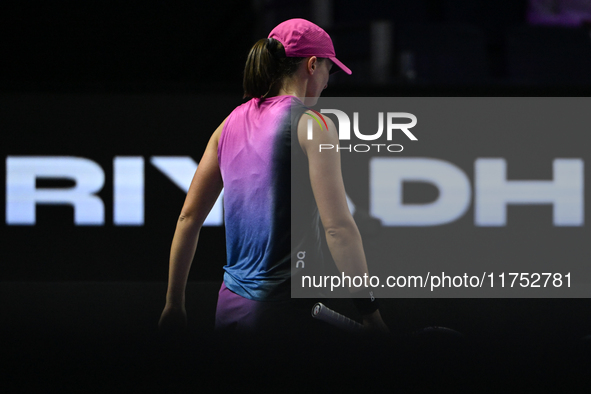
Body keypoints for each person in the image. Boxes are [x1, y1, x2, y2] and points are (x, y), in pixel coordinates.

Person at [158, 18, 388, 336]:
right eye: (328, 70)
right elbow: (337, 228)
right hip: (284, 317)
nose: (326, 83)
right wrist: (370, 312)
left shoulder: (227, 124)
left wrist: (174, 304)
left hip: (228, 310)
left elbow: (188, 218)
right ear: (311, 65)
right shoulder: (313, 124)